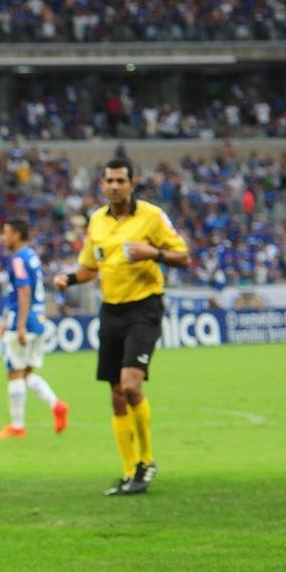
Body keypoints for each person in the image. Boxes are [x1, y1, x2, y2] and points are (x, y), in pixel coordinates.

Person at [53, 157, 189, 496]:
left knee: (130, 386)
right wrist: (68, 278)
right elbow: (89, 268)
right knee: (115, 396)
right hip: (111, 311)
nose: (114, 186)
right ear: (102, 185)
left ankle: (146, 460)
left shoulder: (152, 217)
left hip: (144, 307)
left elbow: (183, 256)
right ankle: (130, 473)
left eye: (120, 181)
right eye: (109, 181)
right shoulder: (97, 221)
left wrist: (152, 253)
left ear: (131, 183)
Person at [0, 218, 68, 439]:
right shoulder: (31, 256)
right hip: (39, 319)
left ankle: (17, 427)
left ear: (16, 234)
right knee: (25, 373)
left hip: (24, 321)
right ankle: (56, 406)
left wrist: (20, 325)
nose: (3, 237)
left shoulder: (18, 259)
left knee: (14, 372)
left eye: (5, 232)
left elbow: (24, 292)